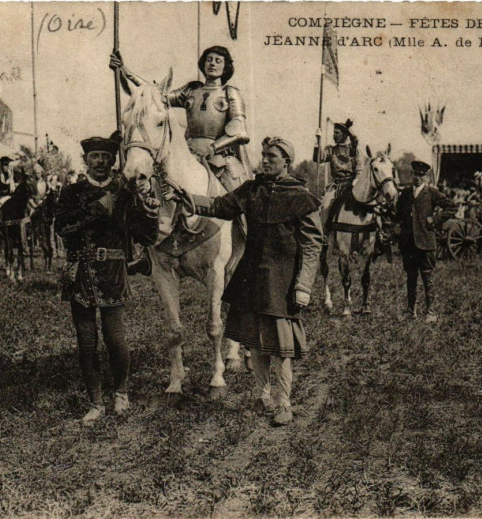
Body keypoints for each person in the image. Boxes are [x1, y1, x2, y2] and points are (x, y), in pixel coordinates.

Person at [177, 137, 323, 426]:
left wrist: (304, 285)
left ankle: (284, 403)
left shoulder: (301, 196)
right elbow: (219, 206)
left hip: (282, 281)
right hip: (252, 276)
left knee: (281, 349)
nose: (265, 160)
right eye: (264, 155)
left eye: (272, 156)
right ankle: (262, 396)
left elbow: (312, 245)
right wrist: (189, 199)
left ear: (286, 161)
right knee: (256, 343)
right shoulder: (251, 189)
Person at [54, 133, 161, 426]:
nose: (100, 161)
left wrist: (151, 212)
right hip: (78, 273)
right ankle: (95, 402)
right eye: (95, 156)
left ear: (114, 161)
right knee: (86, 341)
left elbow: (146, 236)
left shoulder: (125, 193)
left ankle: (121, 393)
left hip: (113, 271)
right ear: (85, 160)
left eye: (106, 157)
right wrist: (98, 209)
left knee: (115, 338)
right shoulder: (71, 192)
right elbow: (62, 227)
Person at [110, 46, 250, 192]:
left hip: (220, 158)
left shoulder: (230, 93)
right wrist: (125, 71)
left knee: (240, 198)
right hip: (189, 153)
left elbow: (240, 133)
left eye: (218, 61)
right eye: (209, 60)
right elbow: (156, 94)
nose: (212, 63)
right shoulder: (191, 90)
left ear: (226, 67)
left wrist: (213, 148)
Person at [391, 161, 457, 322]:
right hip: (408, 243)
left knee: (428, 277)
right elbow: (398, 215)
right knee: (411, 277)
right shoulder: (405, 194)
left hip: (426, 242)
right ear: (411, 175)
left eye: (421, 175)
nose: (418, 178)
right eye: (416, 174)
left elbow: (452, 207)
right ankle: (410, 311)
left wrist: (435, 219)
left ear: (426, 177)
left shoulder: (432, 193)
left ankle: (431, 312)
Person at [313, 119, 361, 222]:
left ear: (344, 135)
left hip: (352, 186)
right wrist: (318, 141)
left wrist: (356, 180)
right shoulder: (331, 150)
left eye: (337, 133)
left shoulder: (353, 149)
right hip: (336, 187)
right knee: (324, 207)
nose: (334, 135)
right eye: (333, 132)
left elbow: (359, 168)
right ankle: (323, 230)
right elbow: (319, 159)